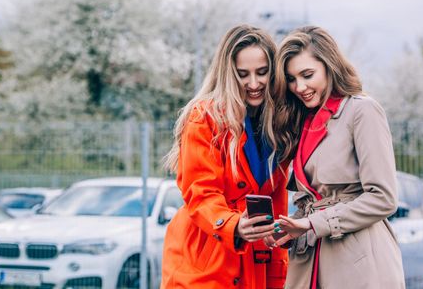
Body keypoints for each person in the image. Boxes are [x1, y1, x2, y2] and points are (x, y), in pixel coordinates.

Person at [267, 26, 405, 288]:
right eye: (292, 79)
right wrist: (289, 227)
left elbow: (384, 198)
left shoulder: (362, 111)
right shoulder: (304, 122)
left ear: (329, 66)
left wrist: (312, 223)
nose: (300, 87)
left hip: (359, 260)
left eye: (307, 75)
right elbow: (314, 201)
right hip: (311, 260)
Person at [160, 25, 289, 288]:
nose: (254, 84)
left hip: (257, 262)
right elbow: (200, 191)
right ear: (228, 74)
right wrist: (232, 225)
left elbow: (277, 204)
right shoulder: (204, 117)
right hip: (205, 260)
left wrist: (278, 265)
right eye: (243, 74)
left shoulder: (278, 124)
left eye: (262, 72)